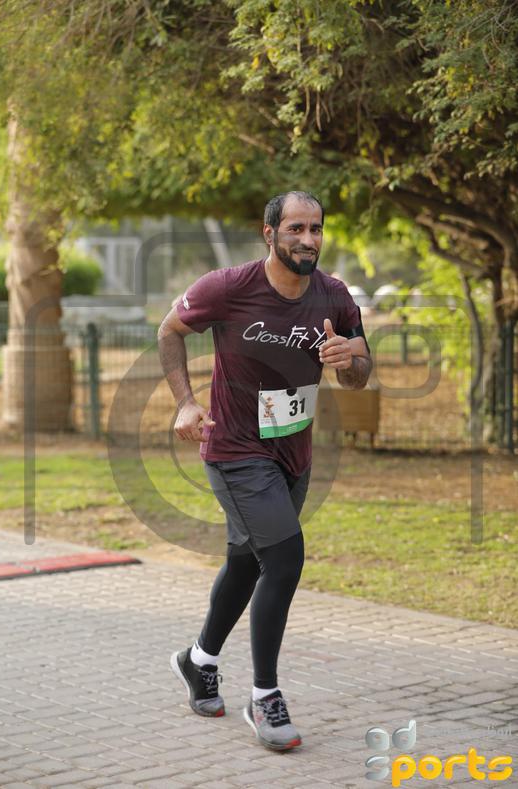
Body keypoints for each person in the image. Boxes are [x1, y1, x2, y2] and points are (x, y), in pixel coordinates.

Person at [157, 190, 372, 751]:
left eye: (316, 229)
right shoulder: (228, 287)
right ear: (270, 233)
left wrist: (350, 361)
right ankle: (265, 698)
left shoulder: (334, 295)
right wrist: (185, 402)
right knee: (284, 557)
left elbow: (359, 373)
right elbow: (169, 330)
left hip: (293, 454)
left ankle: (198, 660)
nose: (308, 239)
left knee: (247, 561)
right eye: (296, 228)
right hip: (235, 450)